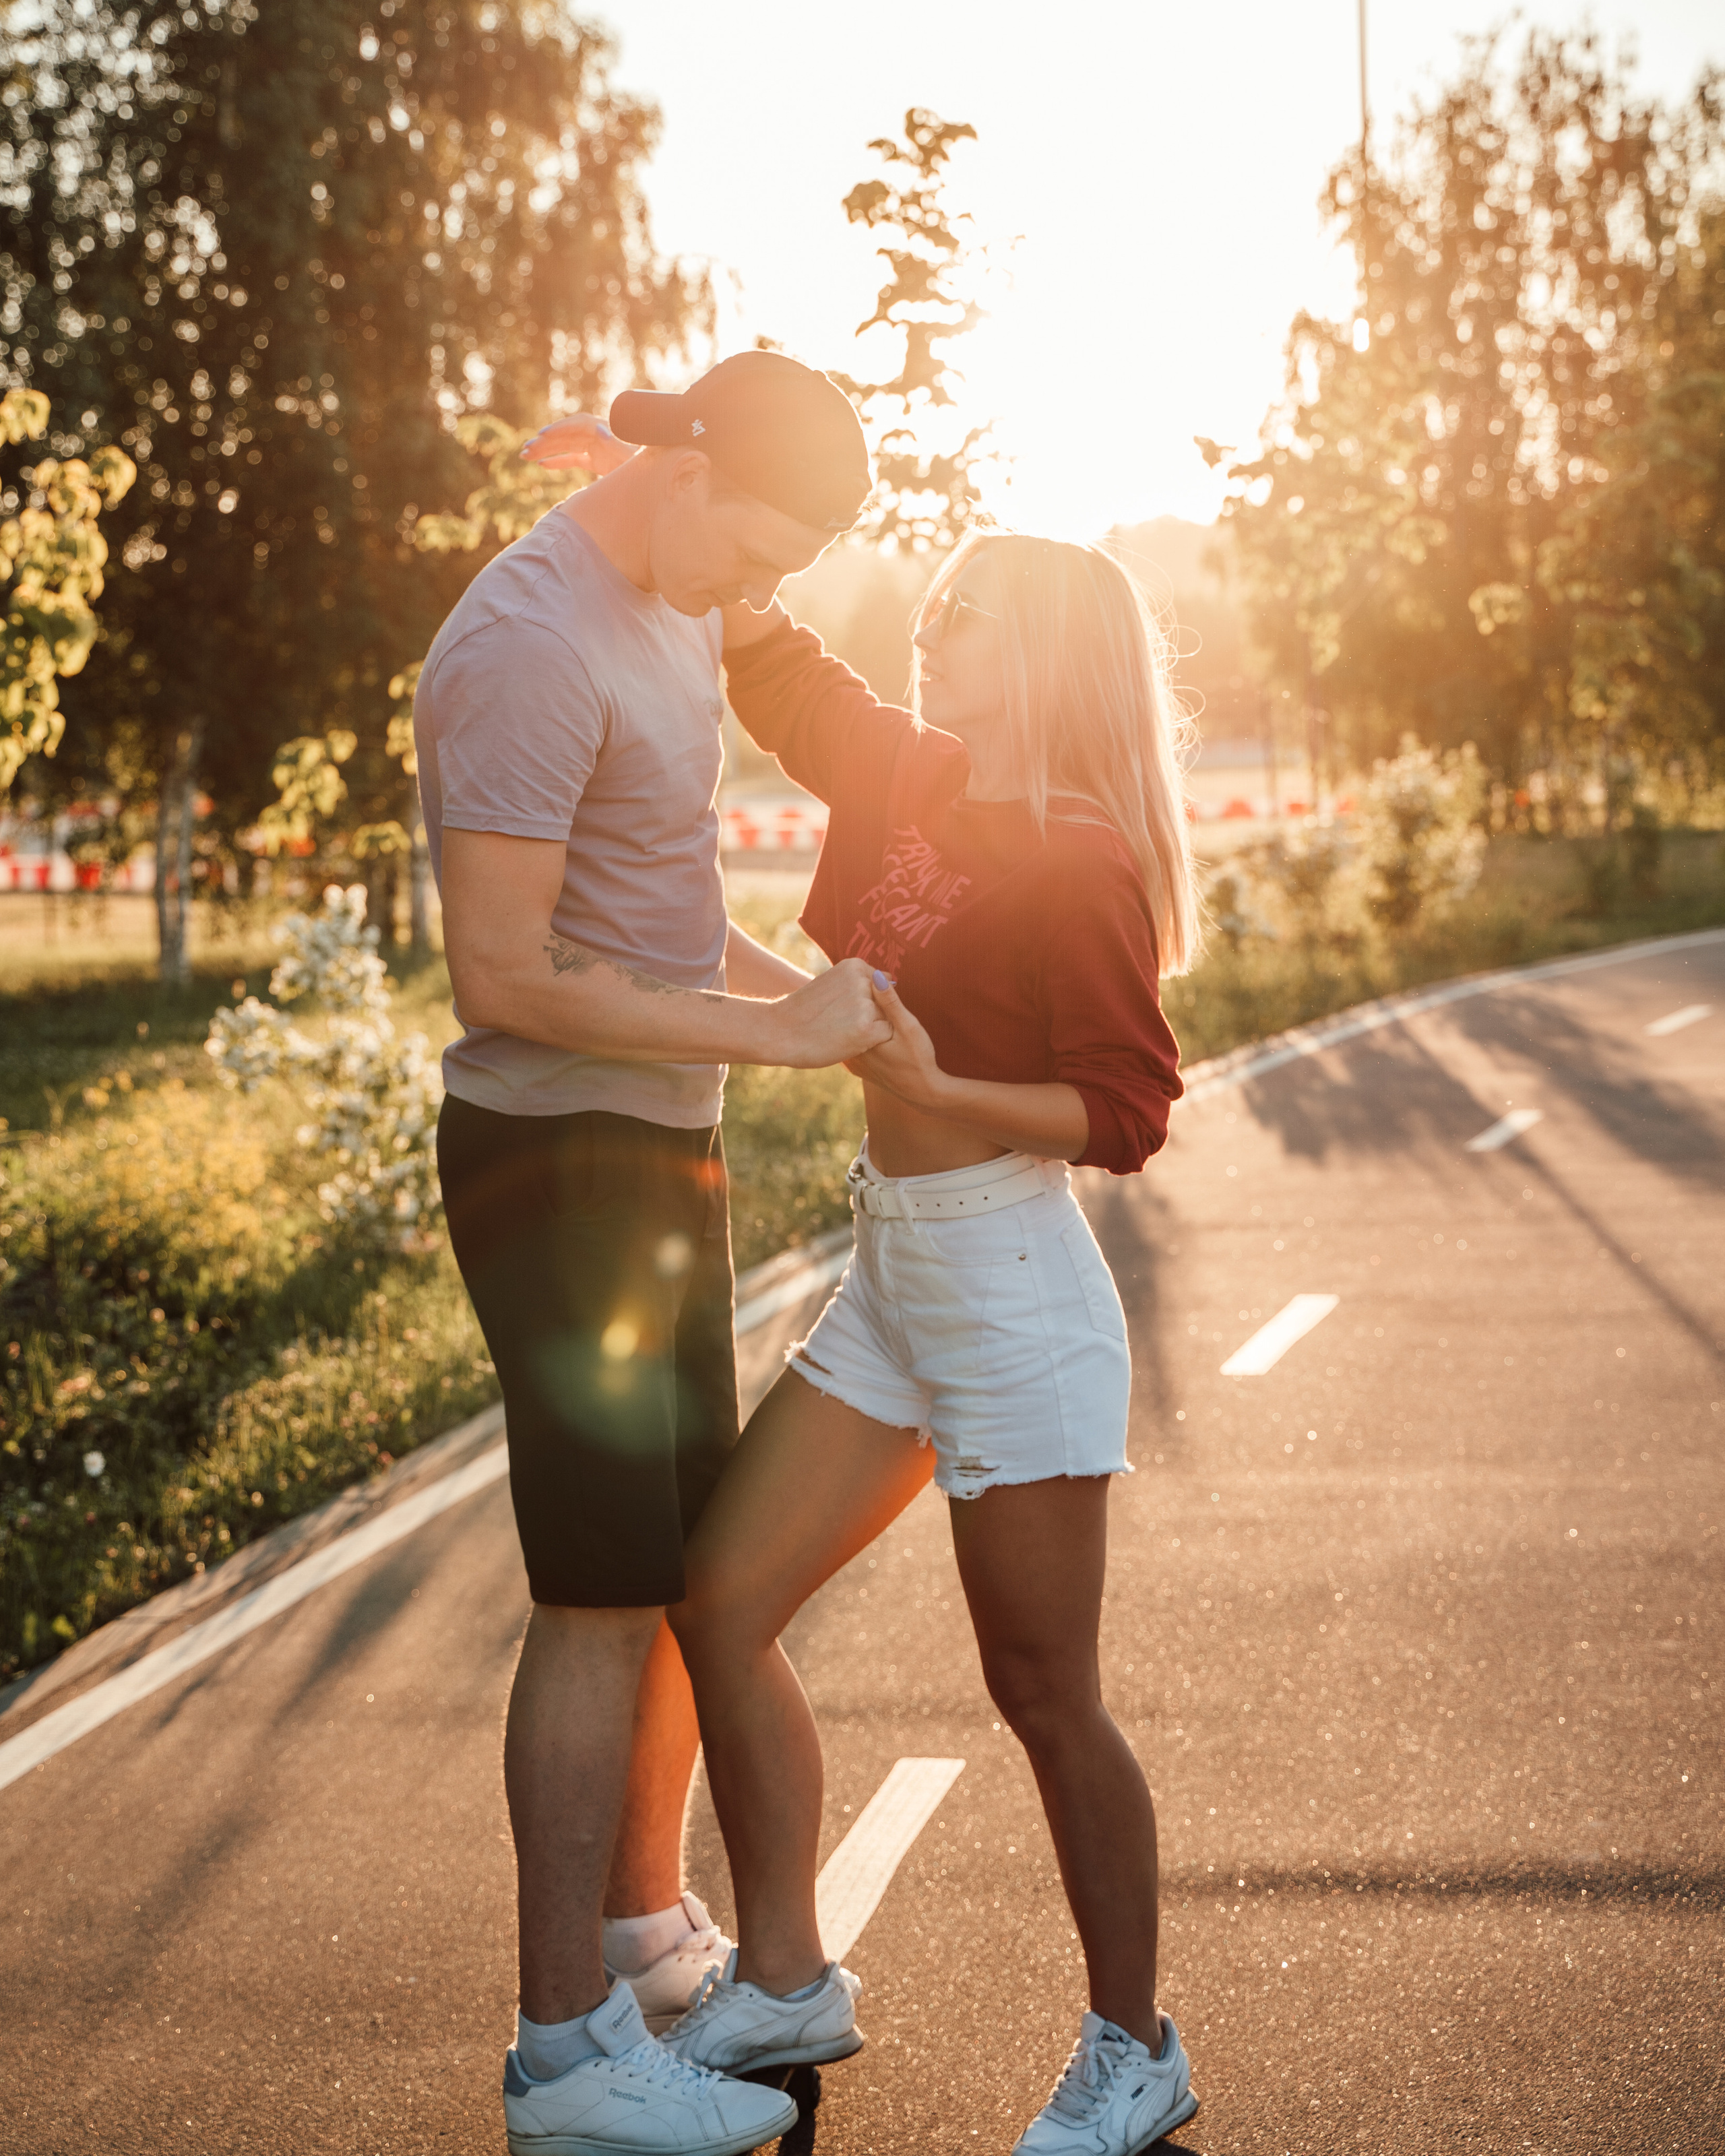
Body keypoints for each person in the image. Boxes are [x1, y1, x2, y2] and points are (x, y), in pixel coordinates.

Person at [656, 532, 1205, 2155]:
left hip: (1010, 1282)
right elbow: (777, 666)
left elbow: (1125, 1107)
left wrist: (938, 1085)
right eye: (936, 600)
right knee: (717, 1598)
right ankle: (784, 1975)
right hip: (893, 1270)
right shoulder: (903, 769)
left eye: (969, 613)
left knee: (1040, 1690)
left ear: (1043, 654)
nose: (931, 625)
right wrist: (661, 492)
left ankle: (1133, 2049)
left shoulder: (1080, 857)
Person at [418, 351, 893, 2156]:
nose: (746, 596)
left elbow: (665, 920)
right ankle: (561, 2055)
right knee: (598, 1596)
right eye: (747, 554)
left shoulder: (674, 596)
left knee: (682, 1569)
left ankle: (635, 1938)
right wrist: (774, 1036)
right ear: (686, 471)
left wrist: (821, 1007)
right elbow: (506, 969)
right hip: (558, 1167)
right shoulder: (526, 641)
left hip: (660, 1149)